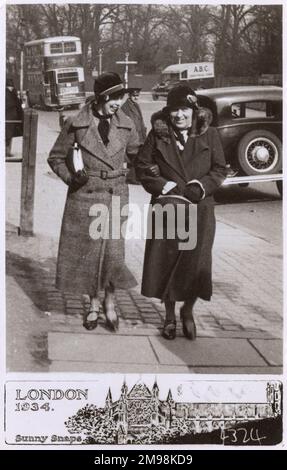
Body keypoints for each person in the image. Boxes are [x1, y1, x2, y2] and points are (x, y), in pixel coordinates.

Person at [48, 72, 140, 331]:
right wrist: (70, 177)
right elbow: (55, 157)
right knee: (88, 255)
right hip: (84, 196)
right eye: (114, 98)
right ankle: (93, 306)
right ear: (102, 97)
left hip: (115, 195)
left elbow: (139, 157)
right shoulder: (76, 123)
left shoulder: (127, 124)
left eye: (121, 98)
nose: (118, 103)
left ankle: (111, 303)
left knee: (112, 255)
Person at [135, 84, 227, 340]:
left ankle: (188, 310)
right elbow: (142, 167)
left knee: (196, 266)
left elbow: (220, 169)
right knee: (166, 262)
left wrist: (202, 186)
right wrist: (163, 185)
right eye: (174, 110)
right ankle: (169, 317)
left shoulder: (210, 135)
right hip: (168, 210)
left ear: (194, 110)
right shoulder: (158, 135)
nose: (179, 115)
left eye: (184, 109)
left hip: (200, 210)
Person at [121, 87, 147, 184]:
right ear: (129, 96)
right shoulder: (125, 107)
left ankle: (135, 177)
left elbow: (140, 120)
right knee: (132, 157)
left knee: (138, 156)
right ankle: (131, 178)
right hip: (132, 136)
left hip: (140, 135)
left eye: (137, 96)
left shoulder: (136, 105)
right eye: (134, 96)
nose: (136, 97)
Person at [5, 78, 23, 157]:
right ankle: (7, 151)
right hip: (11, 117)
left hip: (8, 117)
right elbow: (18, 104)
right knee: (9, 135)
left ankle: (6, 151)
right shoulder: (12, 93)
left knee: (7, 135)